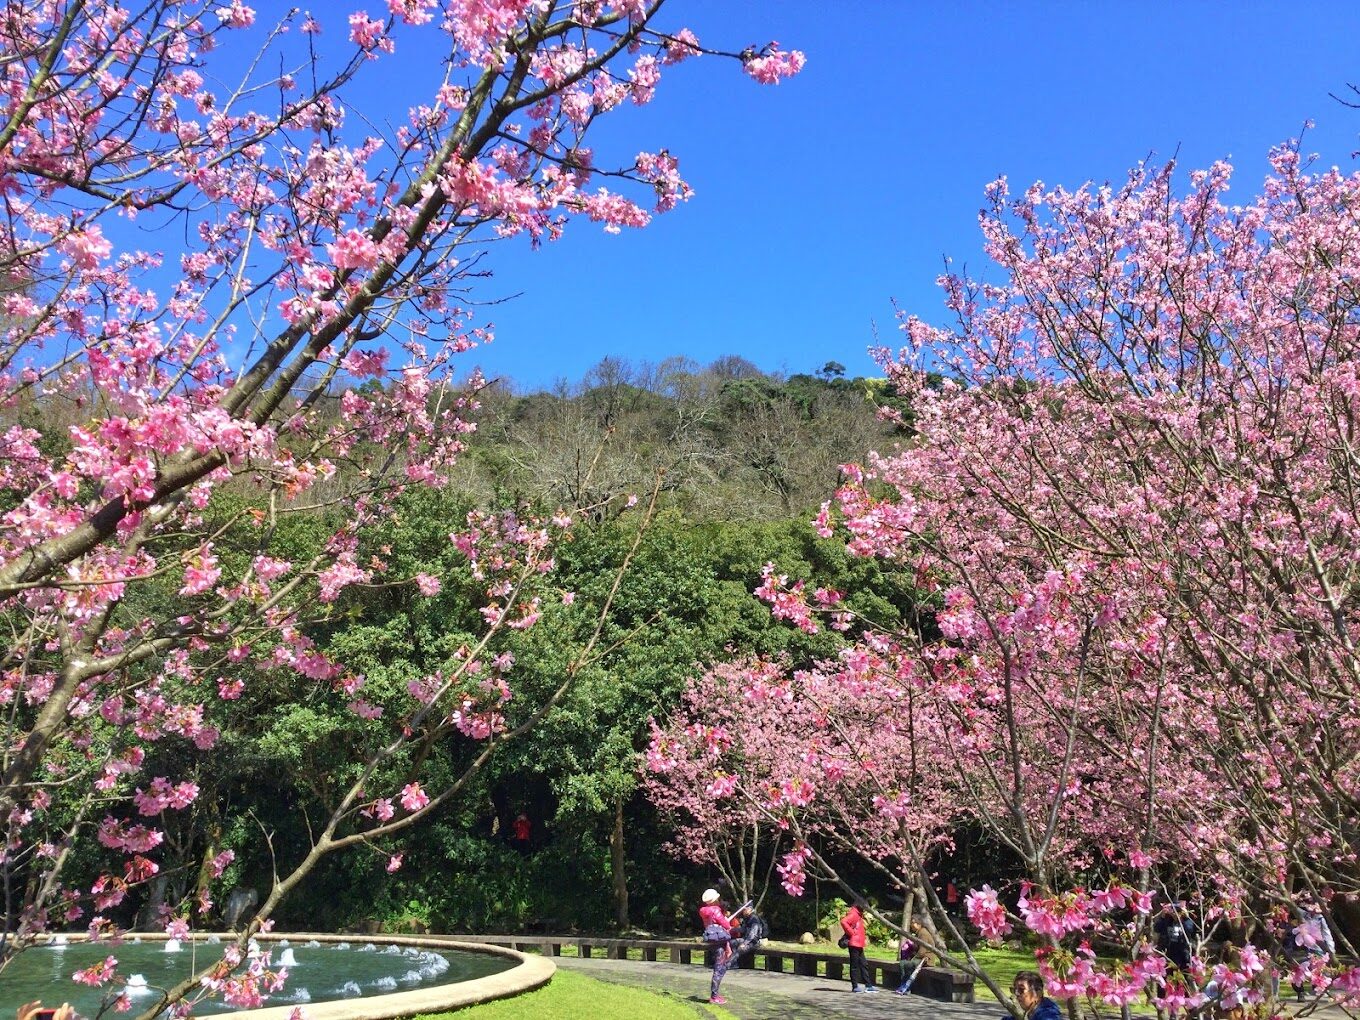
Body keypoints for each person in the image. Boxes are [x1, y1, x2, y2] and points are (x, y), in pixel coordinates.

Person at [699, 887, 741, 1005]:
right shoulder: (716, 910)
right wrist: (727, 921)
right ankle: (714, 996)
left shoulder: (703, 911)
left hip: (712, 941)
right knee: (719, 968)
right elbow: (726, 924)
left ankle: (715, 994)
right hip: (720, 941)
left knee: (718, 966)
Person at [840, 899, 877, 993]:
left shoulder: (858, 914)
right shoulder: (853, 914)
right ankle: (855, 986)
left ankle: (868, 985)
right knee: (855, 965)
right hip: (854, 943)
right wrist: (852, 933)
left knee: (864, 964)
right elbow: (843, 921)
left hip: (859, 944)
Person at [1153, 901, 1195, 973]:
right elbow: (1157, 929)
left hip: (1182, 952)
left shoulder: (1186, 921)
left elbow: (1190, 930)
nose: (1176, 913)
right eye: (1173, 910)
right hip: (1168, 950)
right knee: (1167, 974)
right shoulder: (1167, 920)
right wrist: (1162, 917)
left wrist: (1186, 918)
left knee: (1182, 974)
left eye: (1178, 910)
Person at [894, 924, 924, 995]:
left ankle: (907, 987)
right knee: (902, 963)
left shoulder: (923, 933)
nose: (911, 925)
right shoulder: (917, 933)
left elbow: (922, 951)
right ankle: (903, 984)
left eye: (913, 923)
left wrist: (913, 957)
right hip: (914, 956)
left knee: (909, 965)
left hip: (923, 958)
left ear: (918, 924)